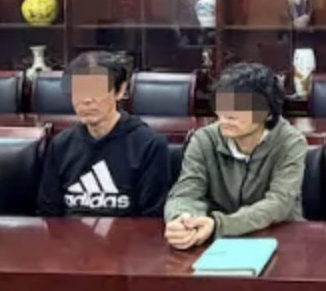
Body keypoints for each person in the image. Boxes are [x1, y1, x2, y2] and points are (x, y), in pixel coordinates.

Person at [163, 62, 306, 249]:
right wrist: (183, 220)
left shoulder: (290, 142)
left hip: (278, 239)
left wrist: (219, 225)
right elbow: (186, 193)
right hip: (213, 243)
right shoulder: (204, 139)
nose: (226, 115)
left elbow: (278, 203)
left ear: (268, 113)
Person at [37, 51, 172, 218]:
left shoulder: (149, 145)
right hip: (70, 234)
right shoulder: (61, 144)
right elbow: (49, 213)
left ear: (120, 91)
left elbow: (152, 217)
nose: (86, 100)